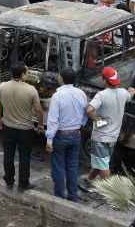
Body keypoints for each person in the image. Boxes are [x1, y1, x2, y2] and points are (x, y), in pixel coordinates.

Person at [79, 66, 135, 192]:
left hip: (100, 136)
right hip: (113, 137)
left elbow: (89, 109)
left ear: (104, 81)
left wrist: (95, 118)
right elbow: (131, 93)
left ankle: (112, 192)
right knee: (101, 161)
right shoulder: (122, 93)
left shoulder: (102, 95)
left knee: (103, 165)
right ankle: (89, 180)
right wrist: (132, 90)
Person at [0, 62, 43, 191]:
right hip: (25, 129)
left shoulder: (2, 86)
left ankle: (9, 180)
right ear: (23, 75)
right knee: (24, 157)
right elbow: (38, 110)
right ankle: (23, 184)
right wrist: (40, 124)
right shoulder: (31, 90)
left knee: (8, 155)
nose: (27, 74)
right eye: (27, 72)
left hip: (8, 127)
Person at [45, 68, 88, 202]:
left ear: (61, 79)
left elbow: (52, 120)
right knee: (73, 167)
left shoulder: (57, 96)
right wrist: (79, 126)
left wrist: (49, 140)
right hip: (75, 134)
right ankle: (73, 197)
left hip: (61, 135)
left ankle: (59, 197)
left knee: (58, 168)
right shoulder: (81, 94)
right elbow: (85, 114)